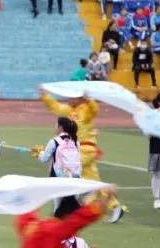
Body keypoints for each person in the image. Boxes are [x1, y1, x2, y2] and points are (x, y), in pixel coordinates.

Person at [41, 91, 124, 222]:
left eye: (71, 96)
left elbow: (94, 109)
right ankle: (115, 206)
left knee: (71, 174)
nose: (68, 99)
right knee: (93, 181)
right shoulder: (69, 110)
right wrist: (45, 96)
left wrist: (88, 100)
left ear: (78, 98)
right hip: (78, 150)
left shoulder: (86, 109)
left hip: (86, 149)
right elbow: (56, 107)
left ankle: (73, 206)